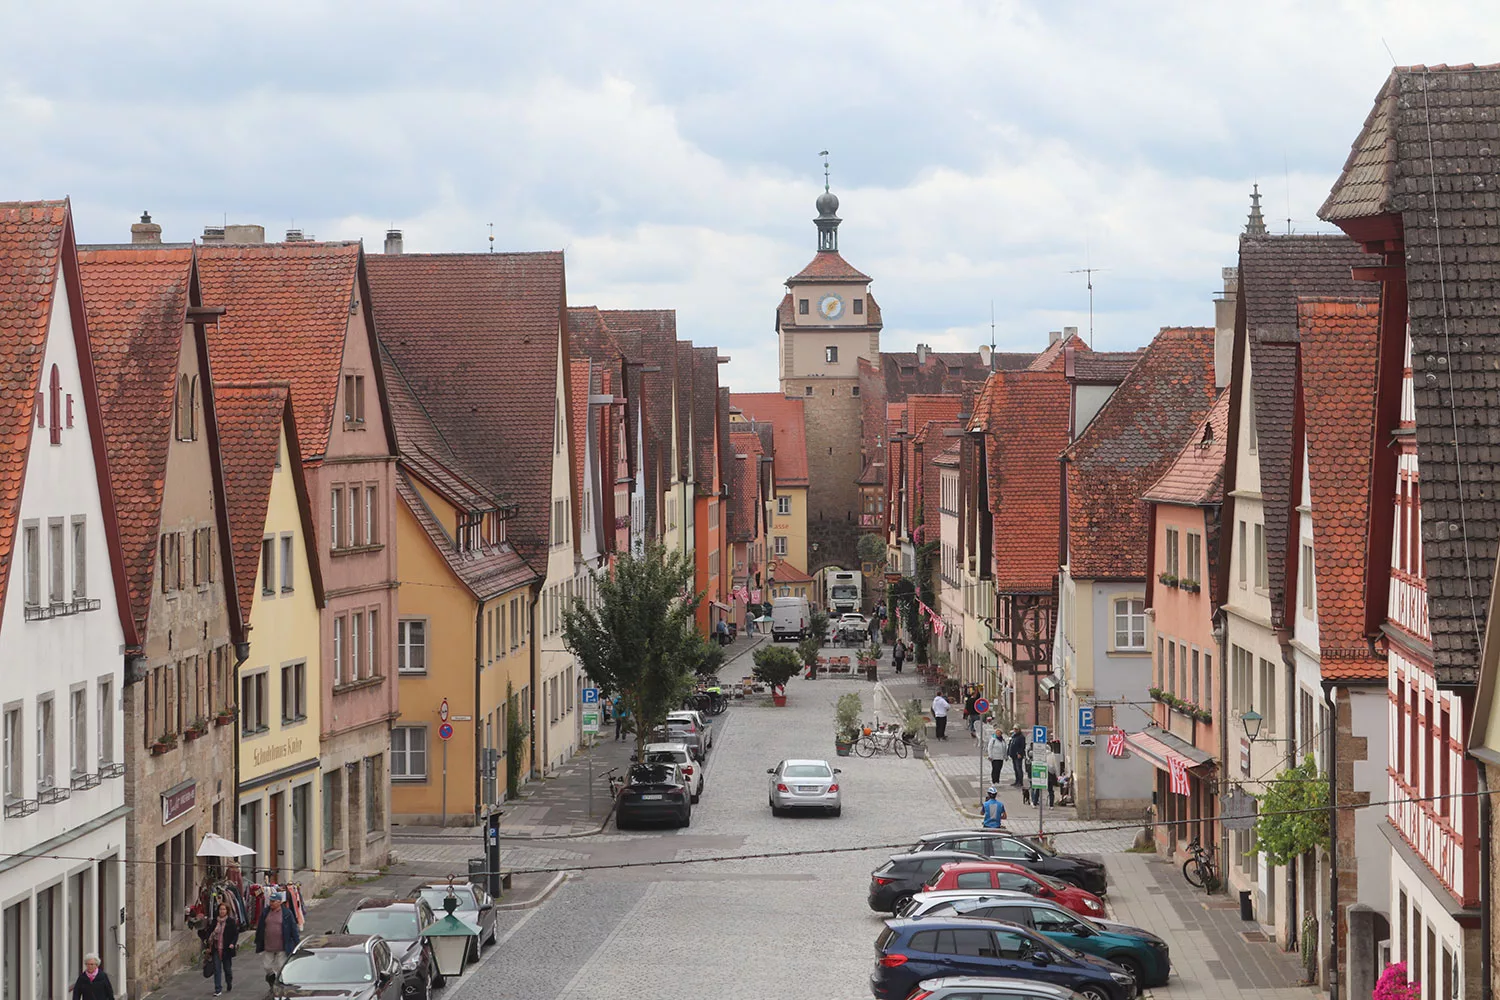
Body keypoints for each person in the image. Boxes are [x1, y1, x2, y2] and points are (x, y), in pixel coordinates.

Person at [255, 893, 301, 988]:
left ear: (279, 902)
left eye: (273, 901)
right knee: (267, 967)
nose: (271, 903)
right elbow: (260, 927)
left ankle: (281, 985)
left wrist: (297, 943)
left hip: (282, 946)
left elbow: (293, 929)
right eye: (270, 901)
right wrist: (258, 940)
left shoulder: (287, 913)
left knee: (281, 967)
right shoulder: (265, 912)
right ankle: (273, 980)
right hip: (268, 945)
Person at [201, 901, 240, 996]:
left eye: (224, 909)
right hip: (215, 948)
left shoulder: (230, 921)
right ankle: (218, 989)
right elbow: (209, 933)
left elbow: (235, 934)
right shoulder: (215, 922)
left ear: (227, 911)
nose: (222, 911)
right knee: (217, 969)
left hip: (226, 949)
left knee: (227, 970)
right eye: (220, 909)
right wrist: (208, 943)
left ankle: (229, 982)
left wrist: (232, 944)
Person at [1047, 742, 1067, 807]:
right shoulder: (1052, 755)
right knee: (1050, 790)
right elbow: (1055, 766)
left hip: (1041, 773)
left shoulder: (1041, 754)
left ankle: (1035, 802)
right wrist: (1057, 775)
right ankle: (1051, 805)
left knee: (1038, 788)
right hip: (1050, 774)